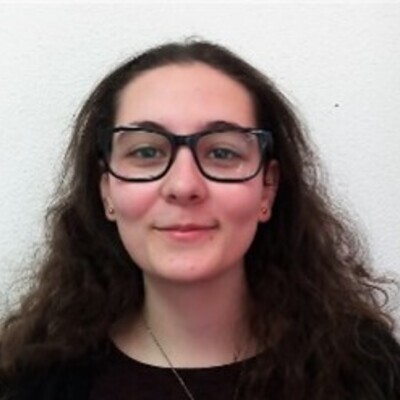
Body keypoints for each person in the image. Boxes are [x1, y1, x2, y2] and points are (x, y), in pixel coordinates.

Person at [0, 39, 399, 400]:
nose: (184, 185)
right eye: (146, 152)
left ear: (267, 188)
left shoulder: (367, 373)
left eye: (222, 153)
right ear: (107, 192)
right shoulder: (36, 383)